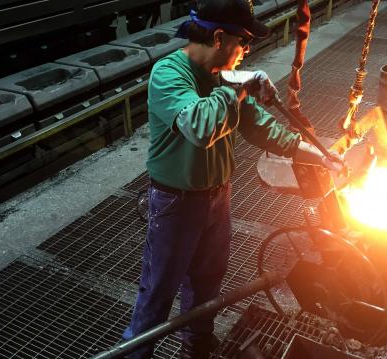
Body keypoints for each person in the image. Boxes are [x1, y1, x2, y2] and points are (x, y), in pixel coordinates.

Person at [122, 1, 344, 358]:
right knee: (158, 293)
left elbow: (264, 129)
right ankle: (136, 353)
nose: (247, 51)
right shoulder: (169, 74)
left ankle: (196, 349)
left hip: (217, 198)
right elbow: (200, 126)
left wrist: (322, 157)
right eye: (244, 42)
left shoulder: (222, 77)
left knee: (206, 287)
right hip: (176, 204)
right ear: (220, 37)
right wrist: (237, 87)